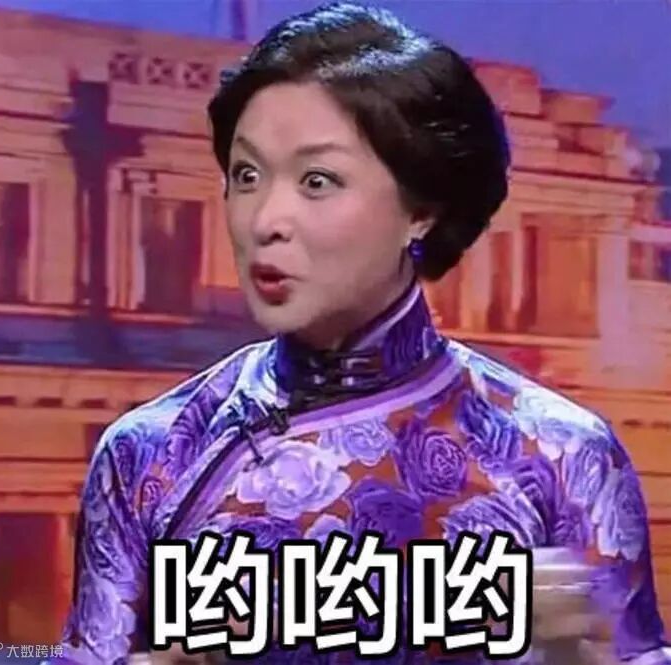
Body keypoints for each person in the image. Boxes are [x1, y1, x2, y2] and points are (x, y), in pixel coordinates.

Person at [47, 2, 669, 663]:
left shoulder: (560, 454)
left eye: (317, 180)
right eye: (247, 175)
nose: (265, 220)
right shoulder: (149, 452)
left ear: (421, 210)